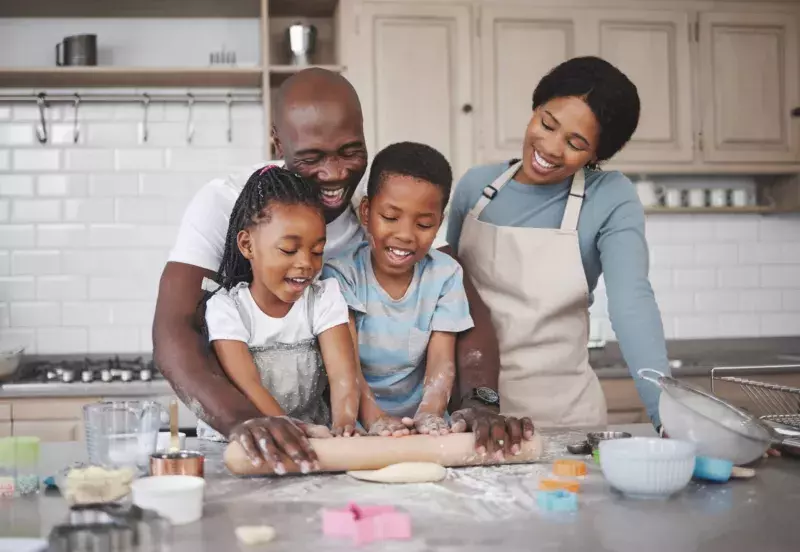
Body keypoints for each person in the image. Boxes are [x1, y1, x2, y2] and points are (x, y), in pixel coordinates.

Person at [153, 68, 533, 473]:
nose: (334, 174)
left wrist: (480, 402)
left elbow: (466, 315)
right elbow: (173, 329)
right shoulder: (229, 204)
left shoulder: (387, 205)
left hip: (331, 441)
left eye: (350, 151)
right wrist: (245, 421)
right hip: (247, 438)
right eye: (312, 157)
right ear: (278, 141)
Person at [446, 56, 669, 429]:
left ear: (597, 154)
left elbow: (633, 305)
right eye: (547, 124)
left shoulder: (610, 197)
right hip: (476, 417)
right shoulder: (475, 187)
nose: (550, 148)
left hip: (565, 420)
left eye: (575, 143)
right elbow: (446, 295)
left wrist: (668, 415)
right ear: (536, 108)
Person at [199, 166, 361, 475]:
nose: (305, 264)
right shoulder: (228, 308)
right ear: (247, 245)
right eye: (289, 249)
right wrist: (289, 430)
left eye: (317, 251)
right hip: (247, 446)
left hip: (314, 443)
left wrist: (344, 427)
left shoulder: (323, 298)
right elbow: (248, 384)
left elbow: (343, 377)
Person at [323, 142, 474, 437]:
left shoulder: (445, 274)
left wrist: (430, 414)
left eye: (424, 224)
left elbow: (441, 363)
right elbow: (346, 364)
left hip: (424, 427)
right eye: (390, 218)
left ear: (439, 223)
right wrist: (374, 418)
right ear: (366, 212)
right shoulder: (341, 274)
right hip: (356, 422)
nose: (405, 235)